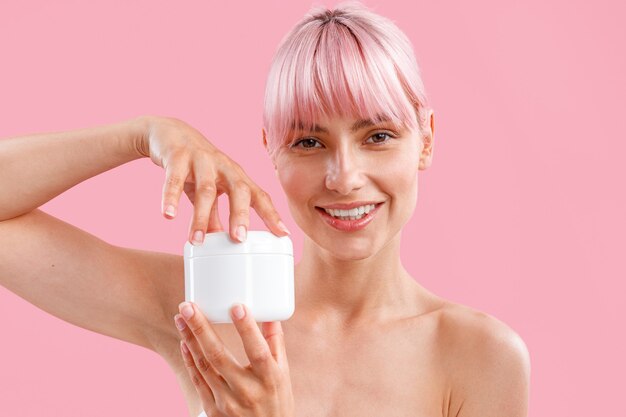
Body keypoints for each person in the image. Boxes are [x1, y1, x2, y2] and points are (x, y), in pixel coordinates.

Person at [0, 1, 530, 416]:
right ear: (271, 149)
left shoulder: (479, 357)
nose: (344, 176)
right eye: (308, 142)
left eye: (379, 135)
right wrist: (145, 134)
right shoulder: (204, 310)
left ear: (427, 140)